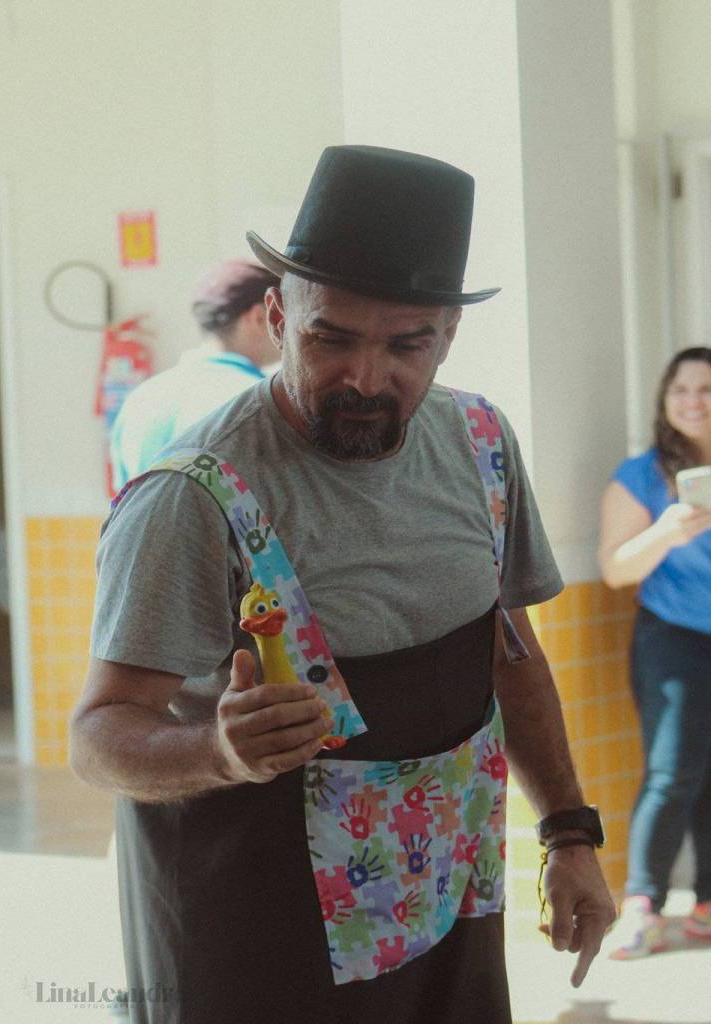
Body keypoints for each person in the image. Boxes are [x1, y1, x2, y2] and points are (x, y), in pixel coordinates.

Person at [71, 145, 615, 1024]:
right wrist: (217, 751)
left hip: (448, 915)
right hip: (251, 930)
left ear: (447, 335)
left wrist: (567, 832)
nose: (366, 378)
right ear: (278, 316)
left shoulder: (481, 446)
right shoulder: (193, 496)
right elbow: (98, 736)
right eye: (332, 337)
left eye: (406, 344)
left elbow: (507, 655)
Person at [599, 346, 711, 958]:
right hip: (674, 637)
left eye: (707, 389)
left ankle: (707, 906)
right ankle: (641, 905)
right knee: (672, 772)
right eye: (680, 389)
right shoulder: (641, 474)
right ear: (665, 400)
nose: (693, 401)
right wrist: (667, 531)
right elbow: (614, 570)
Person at [109, 259, 280, 490]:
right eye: (281, 316)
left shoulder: (141, 399)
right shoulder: (259, 402)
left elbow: (123, 504)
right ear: (259, 317)